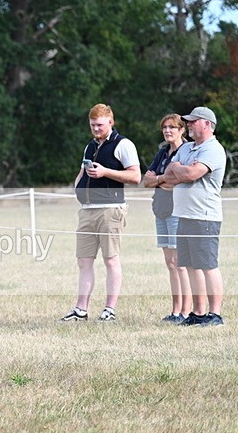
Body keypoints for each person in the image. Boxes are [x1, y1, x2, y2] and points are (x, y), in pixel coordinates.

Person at [61, 103, 141, 322]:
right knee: (83, 261)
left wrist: (106, 172)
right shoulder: (89, 146)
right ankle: (81, 310)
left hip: (110, 210)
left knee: (110, 260)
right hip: (86, 211)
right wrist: (77, 187)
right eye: (92, 125)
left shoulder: (123, 144)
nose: (96, 129)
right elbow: (81, 172)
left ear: (111, 122)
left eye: (100, 125)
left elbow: (135, 177)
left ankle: (109, 310)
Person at [158, 106, 225, 326]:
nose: (189, 125)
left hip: (203, 216)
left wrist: (181, 170)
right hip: (183, 215)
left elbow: (191, 173)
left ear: (206, 124)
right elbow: (168, 173)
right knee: (191, 266)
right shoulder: (187, 149)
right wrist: (180, 169)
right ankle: (198, 313)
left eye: (193, 121)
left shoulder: (213, 149)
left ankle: (215, 315)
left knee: (207, 265)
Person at [141, 114, 192, 323]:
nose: (168, 131)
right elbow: (146, 180)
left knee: (180, 263)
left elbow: (178, 180)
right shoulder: (163, 152)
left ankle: (186, 311)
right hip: (161, 209)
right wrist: (163, 180)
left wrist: (159, 180)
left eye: (172, 127)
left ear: (182, 130)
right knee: (170, 263)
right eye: (165, 128)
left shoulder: (187, 151)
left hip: (177, 211)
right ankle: (175, 310)